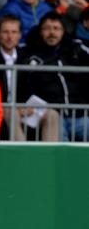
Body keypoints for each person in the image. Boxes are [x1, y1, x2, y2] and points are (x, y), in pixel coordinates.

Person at [0, 14, 59, 141]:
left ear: (20, 35)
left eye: (14, 32)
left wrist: (28, 105)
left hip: (23, 106)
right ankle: (23, 154)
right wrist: (17, 108)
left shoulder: (28, 57)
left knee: (52, 115)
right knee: (12, 112)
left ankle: (49, 158)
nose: (10, 37)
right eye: (5, 32)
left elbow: (33, 85)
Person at [18, 11, 89, 141]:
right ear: (40, 31)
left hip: (81, 115)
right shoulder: (30, 54)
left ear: (63, 31)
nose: (52, 33)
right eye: (47, 28)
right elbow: (22, 84)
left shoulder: (76, 48)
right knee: (62, 152)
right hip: (54, 116)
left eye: (56, 28)